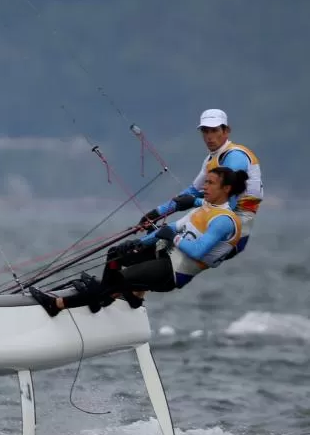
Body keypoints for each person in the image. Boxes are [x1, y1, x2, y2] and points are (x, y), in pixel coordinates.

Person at [29, 166, 248, 317]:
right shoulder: (205, 208)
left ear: (226, 189)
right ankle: (110, 297)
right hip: (167, 254)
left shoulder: (224, 221)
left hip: (174, 272)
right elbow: (171, 228)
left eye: (210, 183)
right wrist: (142, 243)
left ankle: (58, 305)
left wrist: (174, 238)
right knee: (117, 253)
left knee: (116, 281)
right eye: (206, 182)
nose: (204, 187)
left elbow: (198, 251)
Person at [138, 108, 262, 258]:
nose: (209, 137)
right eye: (205, 131)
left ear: (226, 131)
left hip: (232, 230)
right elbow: (192, 192)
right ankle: (136, 249)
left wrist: (194, 201)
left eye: (214, 130)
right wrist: (157, 212)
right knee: (155, 236)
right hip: (213, 219)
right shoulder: (211, 159)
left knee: (164, 240)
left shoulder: (235, 157)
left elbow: (229, 204)